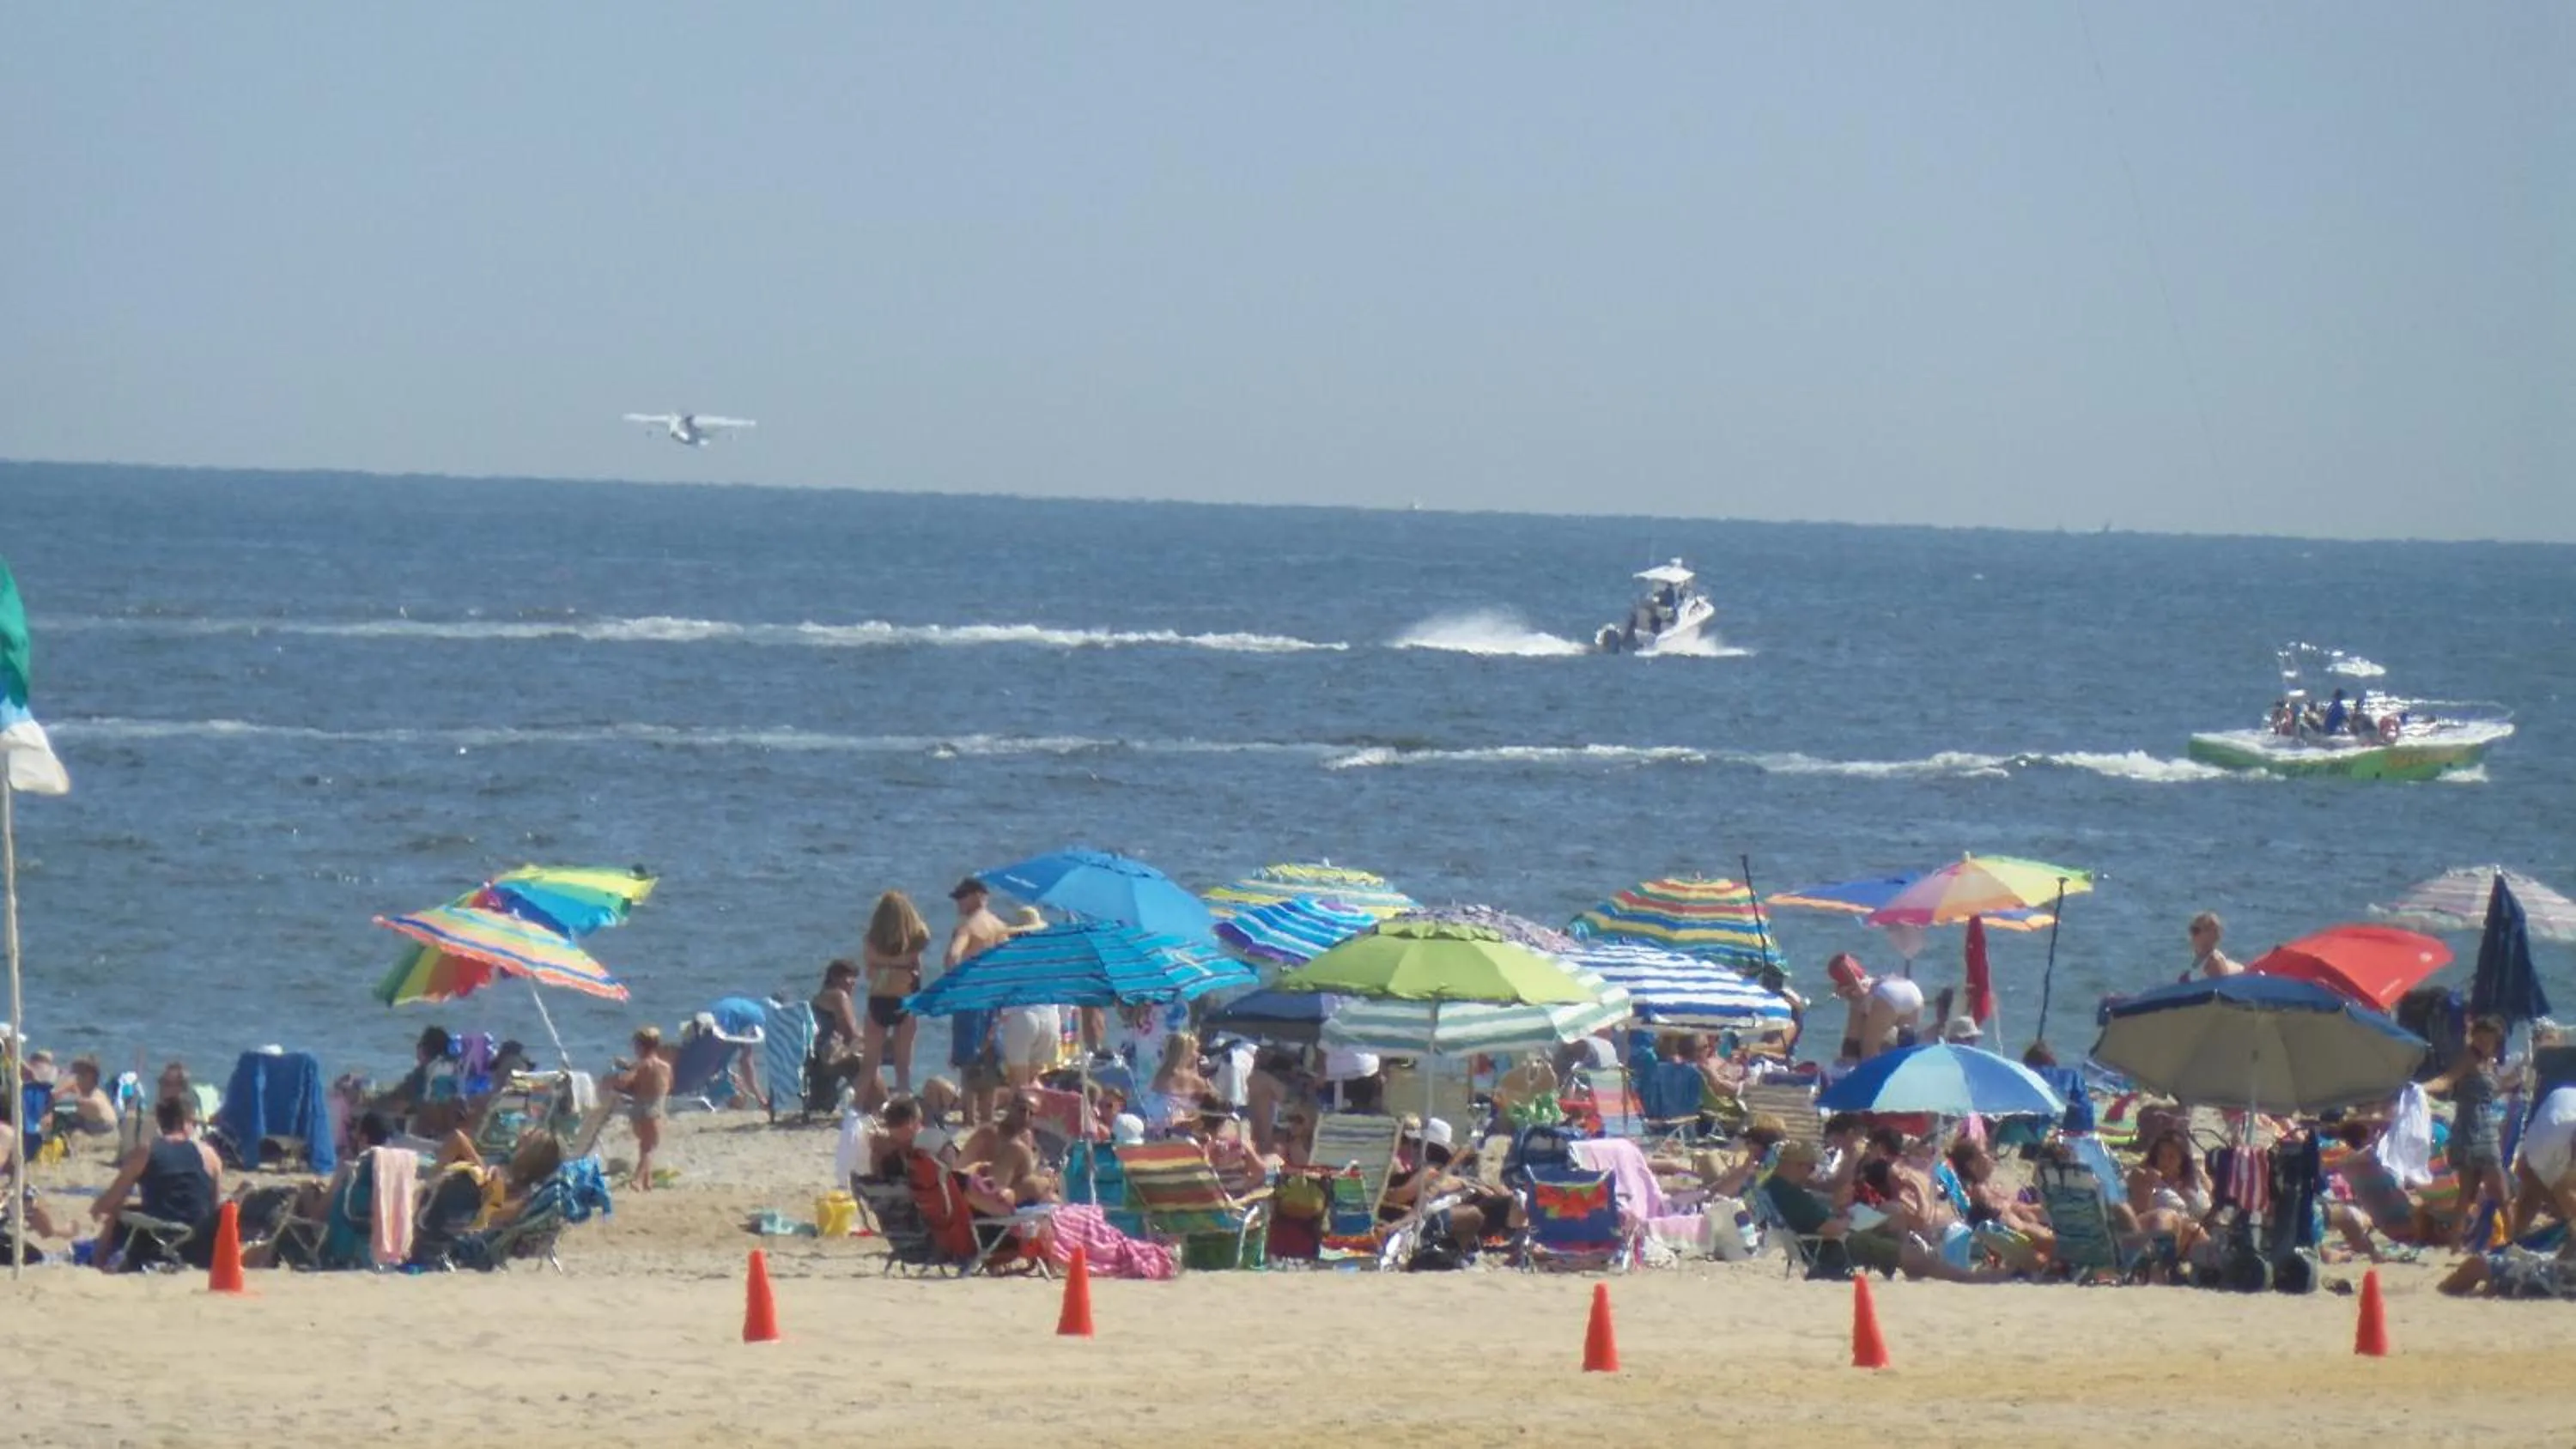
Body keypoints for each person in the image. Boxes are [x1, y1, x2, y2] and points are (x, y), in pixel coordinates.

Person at [91, 1096, 222, 1270]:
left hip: (156, 1235)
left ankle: (98, 1261)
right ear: (186, 1122)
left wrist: (97, 1208)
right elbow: (213, 1206)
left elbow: (114, 1197)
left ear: (160, 1122)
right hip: (197, 1240)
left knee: (117, 1209)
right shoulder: (210, 1155)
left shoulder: (147, 1150)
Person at [2427, 1015, 2510, 1248]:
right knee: (2487, 1189)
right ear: (2474, 1038)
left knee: (2476, 1192)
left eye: (2489, 1040)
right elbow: (2446, 1080)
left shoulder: (2489, 1062)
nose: (2484, 1044)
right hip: (2469, 1128)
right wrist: (2421, 1088)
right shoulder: (2469, 1058)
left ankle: (2456, 1244)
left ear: (2497, 1042)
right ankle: (2514, 1238)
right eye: (2480, 1039)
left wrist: (2510, 1083)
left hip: (2487, 1127)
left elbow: (2487, 1093)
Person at [942, 877, 1012, 1127]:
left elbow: (952, 956)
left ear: (977, 896)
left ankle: (970, 1119)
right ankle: (988, 1119)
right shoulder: (1000, 927)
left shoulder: (968, 927)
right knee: (990, 1057)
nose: (958, 903)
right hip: (994, 997)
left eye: (962, 897)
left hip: (971, 996)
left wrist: (955, 984)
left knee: (968, 1060)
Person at [860, 890, 933, 1109]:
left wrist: (886, 967)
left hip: (878, 1001)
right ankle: (905, 1108)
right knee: (903, 1066)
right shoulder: (914, 942)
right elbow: (918, 972)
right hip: (904, 1001)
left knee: (870, 1063)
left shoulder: (872, 941)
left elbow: (870, 974)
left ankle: (856, 1109)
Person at [604, 1027, 672, 1191]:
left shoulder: (640, 1065)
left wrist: (613, 1078)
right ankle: (637, 1179)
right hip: (654, 1107)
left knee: (645, 1145)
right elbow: (669, 1086)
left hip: (638, 1108)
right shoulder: (664, 1066)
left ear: (640, 1046)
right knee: (650, 1147)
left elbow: (624, 1082)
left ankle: (647, 1181)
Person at [2506, 1085, 2576, 1241]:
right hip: (2552, 1113)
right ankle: (2516, 1238)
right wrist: (2556, 1204)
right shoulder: (2548, 1137)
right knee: (2532, 1194)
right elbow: (2523, 1170)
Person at [809, 960, 871, 1105]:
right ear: (835, 977)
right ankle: (877, 1104)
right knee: (875, 1055)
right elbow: (851, 1034)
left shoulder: (821, 996)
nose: (854, 982)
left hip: (817, 1056)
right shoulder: (839, 996)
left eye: (856, 977)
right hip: (830, 1056)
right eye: (850, 977)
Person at [56, 1056, 117, 1137]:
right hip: (99, 1123)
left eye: (77, 1075)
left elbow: (67, 1108)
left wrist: (63, 1090)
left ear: (88, 1077)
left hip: (101, 1126)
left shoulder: (94, 1101)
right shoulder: (97, 1092)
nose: (74, 1078)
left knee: (59, 1116)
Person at [2185, 912, 2240, 980]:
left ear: (2210, 934)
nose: (2192, 935)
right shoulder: (2198, 959)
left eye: (2195, 930)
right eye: (2191, 930)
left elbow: (2221, 988)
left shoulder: (2213, 962)